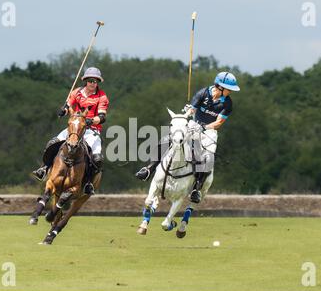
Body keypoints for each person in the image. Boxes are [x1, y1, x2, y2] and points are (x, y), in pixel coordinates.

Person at [135, 71, 240, 203]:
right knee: (167, 140)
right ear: (220, 87)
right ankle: (149, 169)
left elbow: (218, 123)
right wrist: (189, 111)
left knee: (208, 157)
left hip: (209, 131)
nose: (230, 92)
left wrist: (204, 127)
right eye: (229, 89)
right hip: (193, 124)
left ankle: (196, 189)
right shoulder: (203, 93)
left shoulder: (227, 104)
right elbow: (193, 109)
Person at [32, 67, 109, 195]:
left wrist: (89, 121)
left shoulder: (102, 96)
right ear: (85, 81)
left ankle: (88, 183)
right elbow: (68, 106)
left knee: (97, 159)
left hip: (92, 130)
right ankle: (44, 168)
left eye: (95, 81)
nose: (93, 83)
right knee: (52, 143)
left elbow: (102, 117)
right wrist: (64, 110)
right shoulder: (76, 92)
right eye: (90, 80)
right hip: (74, 127)